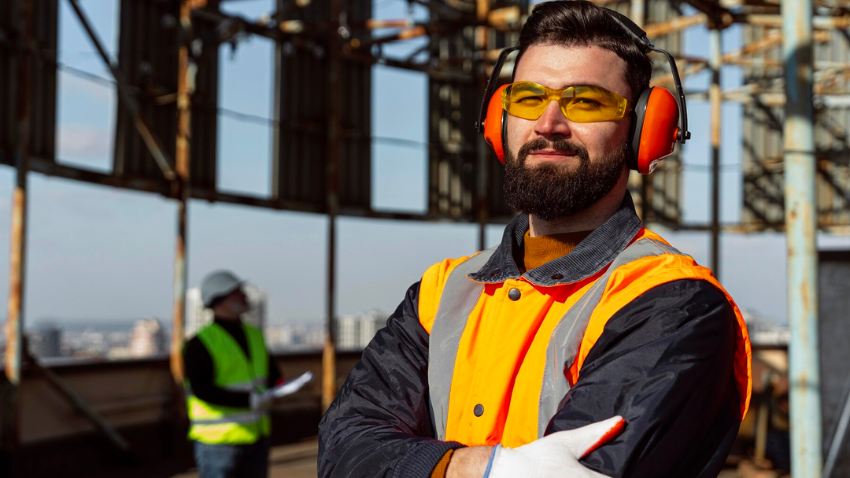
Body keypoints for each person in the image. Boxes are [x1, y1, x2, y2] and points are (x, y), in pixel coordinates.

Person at [318, 2, 752, 478]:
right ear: (498, 123)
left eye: (585, 101)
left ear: (643, 132)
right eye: (527, 99)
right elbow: (343, 447)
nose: (548, 124)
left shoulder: (674, 303)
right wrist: (471, 468)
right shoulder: (441, 291)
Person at [184, 270, 284, 478]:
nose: (245, 296)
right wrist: (251, 400)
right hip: (218, 443)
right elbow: (202, 390)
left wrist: (280, 387)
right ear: (219, 300)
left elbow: (272, 373)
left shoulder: (254, 335)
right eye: (237, 293)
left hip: (256, 437)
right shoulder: (199, 344)